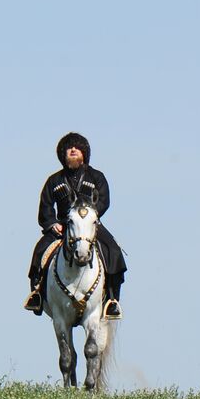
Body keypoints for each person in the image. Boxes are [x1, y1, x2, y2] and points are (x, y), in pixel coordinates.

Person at [24, 132, 126, 320]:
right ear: (62, 154)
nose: (73, 150)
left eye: (77, 148)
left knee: (114, 252)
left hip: (89, 226)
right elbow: (45, 207)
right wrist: (52, 224)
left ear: (84, 153)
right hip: (62, 227)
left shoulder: (97, 177)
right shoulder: (54, 180)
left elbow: (104, 201)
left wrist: (89, 219)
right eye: (69, 148)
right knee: (39, 251)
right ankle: (37, 294)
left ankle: (112, 300)